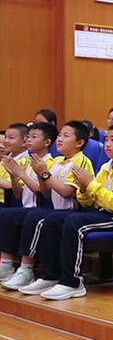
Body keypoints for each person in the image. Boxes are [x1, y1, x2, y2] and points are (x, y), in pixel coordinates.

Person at [37, 122, 113, 300]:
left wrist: (90, 184)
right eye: (106, 140)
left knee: (75, 224)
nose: (108, 144)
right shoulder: (106, 167)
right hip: (104, 213)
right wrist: (84, 188)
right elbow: (90, 201)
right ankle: (51, 276)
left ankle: (72, 282)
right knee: (54, 219)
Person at [5, 121, 94, 294]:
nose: (60, 139)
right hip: (55, 209)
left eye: (66, 136)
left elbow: (67, 192)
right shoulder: (58, 162)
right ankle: (43, 274)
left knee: (38, 217)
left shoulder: (81, 160)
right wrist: (38, 174)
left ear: (79, 142)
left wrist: (42, 174)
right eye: (60, 135)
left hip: (71, 210)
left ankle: (28, 269)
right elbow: (44, 192)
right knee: (17, 215)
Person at [0, 123, 58, 289]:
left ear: (47, 142)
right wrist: (13, 177)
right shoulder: (30, 162)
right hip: (27, 206)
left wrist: (22, 174)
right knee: (7, 215)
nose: (29, 140)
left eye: (34, 137)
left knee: (28, 217)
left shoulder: (50, 163)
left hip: (44, 207)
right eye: (28, 137)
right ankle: (6, 265)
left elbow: (41, 191)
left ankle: (26, 270)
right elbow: (18, 194)